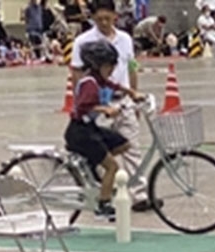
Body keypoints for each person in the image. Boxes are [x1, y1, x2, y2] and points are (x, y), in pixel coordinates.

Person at [71, 0, 158, 211]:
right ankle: (103, 189)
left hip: (123, 102)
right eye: (99, 19)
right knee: (101, 150)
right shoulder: (84, 41)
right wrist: (85, 100)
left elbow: (131, 67)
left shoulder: (126, 39)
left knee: (131, 147)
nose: (103, 22)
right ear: (92, 18)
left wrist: (133, 94)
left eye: (107, 18)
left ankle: (138, 195)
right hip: (99, 104)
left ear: (115, 17)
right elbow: (76, 73)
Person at [65, 39, 144, 220]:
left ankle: (94, 166)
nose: (112, 70)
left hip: (90, 128)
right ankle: (103, 205)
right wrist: (105, 109)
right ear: (97, 65)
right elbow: (83, 107)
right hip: (80, 132)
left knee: (124, 144)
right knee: (112, 167)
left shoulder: (99, 79)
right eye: (109, 66)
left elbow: (114, 86)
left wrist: (132, 93)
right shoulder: (89, 83)